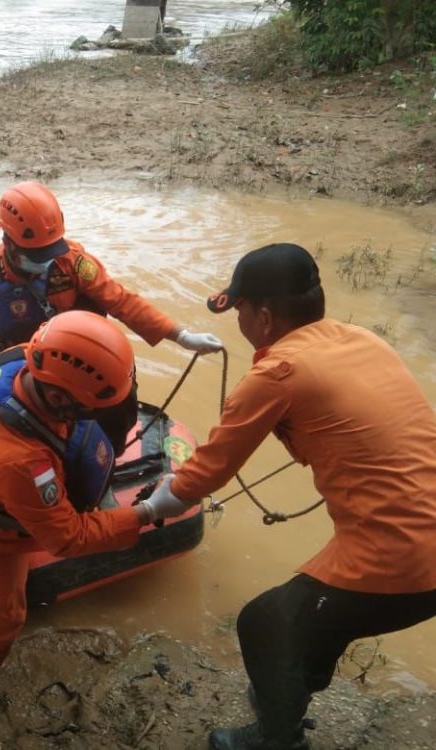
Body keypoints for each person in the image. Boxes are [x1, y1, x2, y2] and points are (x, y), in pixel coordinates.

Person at [145, 243, 436, 749]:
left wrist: (151, 506)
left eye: (238, 309)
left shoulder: (278, 374)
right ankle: (291, 689)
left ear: (263, 316)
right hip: (415, 535)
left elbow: (206, 473)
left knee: (264, 622)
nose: (238, 318)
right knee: (319, 614)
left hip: (407, 558)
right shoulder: (363, 340)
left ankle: (278, 739)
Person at [0, 310, 191, 705]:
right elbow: (67, 538)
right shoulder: (21, 462)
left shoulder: (30, 357)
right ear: (58, 398)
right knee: (1, 620)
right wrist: (147, 511)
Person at [0, 180, 222, 453]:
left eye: (50, 250)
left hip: (77, 359)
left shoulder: (74, 263)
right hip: (29, 366)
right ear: (10, 242)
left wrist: (182, 336)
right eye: (39, 254)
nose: (48, 260)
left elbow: (122, 302)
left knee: (118, 402)